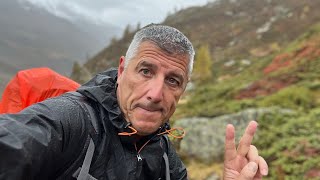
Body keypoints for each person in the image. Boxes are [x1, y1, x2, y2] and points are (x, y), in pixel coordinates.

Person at [0, 24, 268, 180]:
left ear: (183, 90)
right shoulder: (72, 121)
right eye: (145, 71)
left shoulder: (164, 157)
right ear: (121, 70)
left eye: (173, 80)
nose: (155, 93)